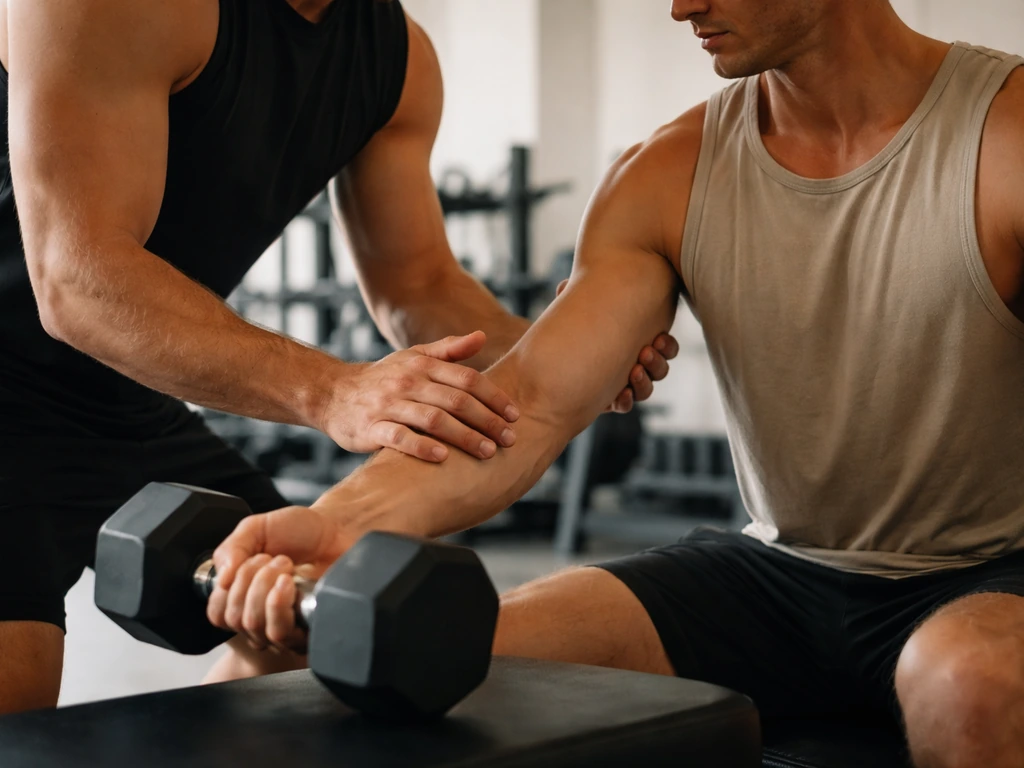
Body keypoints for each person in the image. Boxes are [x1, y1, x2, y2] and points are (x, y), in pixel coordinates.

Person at [210, 1, 1024, 766]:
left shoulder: (1006, 135)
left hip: (989, 571)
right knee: (406, 656)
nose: (678, 7)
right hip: (777, 574)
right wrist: (332, 523)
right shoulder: (664, 174)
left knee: (967, 681)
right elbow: (526, 406)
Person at [0, 0, 677, 716]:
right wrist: (332, 391)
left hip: (127, 404)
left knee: (316, 630)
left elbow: (416, 284)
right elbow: (77, 281)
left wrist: (576, 352)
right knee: (16, 700)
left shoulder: (399, 61)